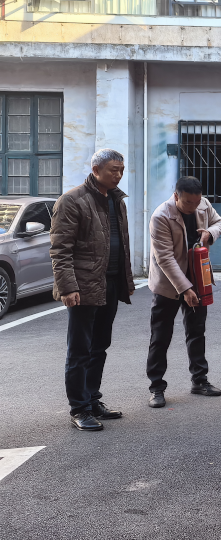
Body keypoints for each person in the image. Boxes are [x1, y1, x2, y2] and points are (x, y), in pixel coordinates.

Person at [51, 149, 136, 431]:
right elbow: (60, 250)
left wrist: (126, 281)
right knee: (80, 349)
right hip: (82, 287)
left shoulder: (116, 200)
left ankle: (92, 399)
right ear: (96, 168)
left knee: (100, 346)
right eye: (114, 169)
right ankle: (79, 408)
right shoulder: (72, 200)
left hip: (109, 283)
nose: (119, 174)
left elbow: (120, 243)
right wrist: (68, 287)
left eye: (122, 169)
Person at [146, 176, 221, 409]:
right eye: (188, 203)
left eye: (197, 202)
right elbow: (165, 258)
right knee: (160, 337)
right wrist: (185, 289)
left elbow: (219, 222)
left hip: (198, 278)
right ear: (176, 196)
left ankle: (199, 381)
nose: (194, 207)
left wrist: (210, 233)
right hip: (168, 285)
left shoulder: (203, 204)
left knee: (197, 332)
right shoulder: (161, 216)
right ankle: (156, 387)